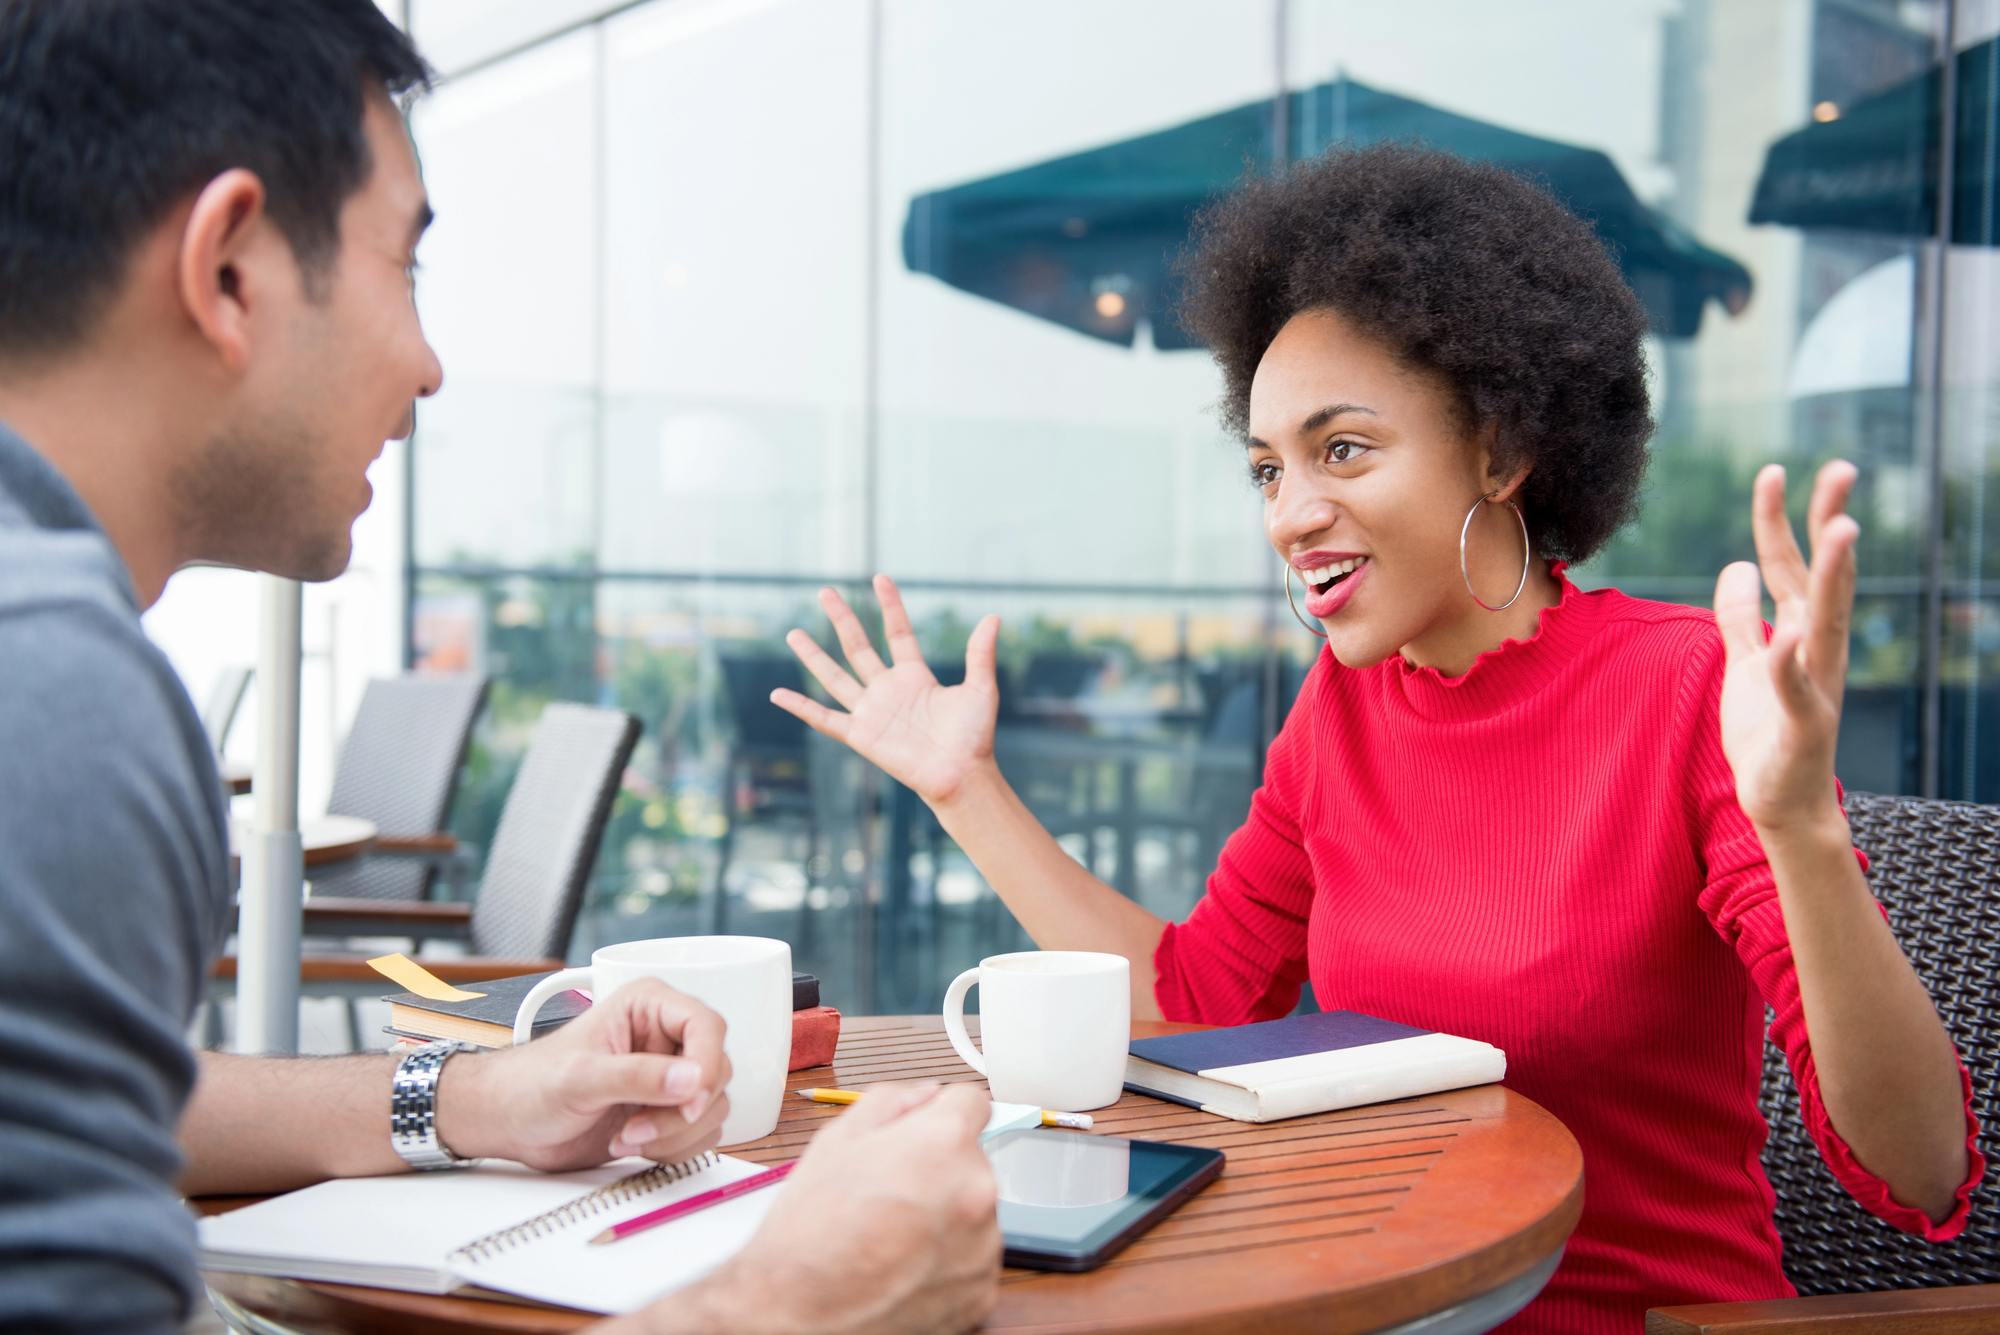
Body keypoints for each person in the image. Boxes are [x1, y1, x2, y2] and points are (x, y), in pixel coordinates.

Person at [774, 145, 1984, 1333]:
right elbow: (1194, 999)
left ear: (1502, 449)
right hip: (1369, 1301)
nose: (1291, 515)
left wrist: (1804, 835)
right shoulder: (1340, 709)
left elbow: (1921, 1169)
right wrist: (962, 787)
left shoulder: (1684, 689)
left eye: (1340, 449)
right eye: (1265, 468)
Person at [0, 3, 999, 1333]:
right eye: (404, 267)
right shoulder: (52, 684)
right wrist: (798, 1298)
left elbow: (111, 1093)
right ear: (230, 267)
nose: (428, 365)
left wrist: (480, 1092)